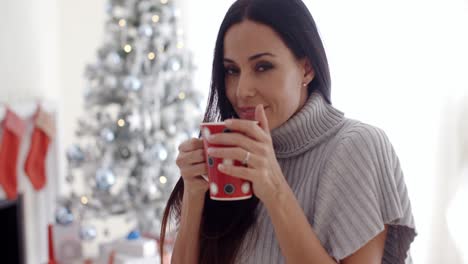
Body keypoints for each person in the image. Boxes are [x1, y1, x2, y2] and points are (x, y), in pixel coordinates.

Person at [160, 0, 417, 263]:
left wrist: (274, 189)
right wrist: (193, 195)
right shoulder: (232, 152)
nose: (242, 90)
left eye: (263, 67)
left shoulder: (358, 147)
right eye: (231, 70)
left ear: (306, 68)